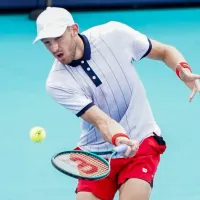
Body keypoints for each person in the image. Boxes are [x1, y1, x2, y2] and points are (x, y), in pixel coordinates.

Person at [33, 6, 200, 200]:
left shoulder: (114, 35)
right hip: (96, 156)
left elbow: (164, 51)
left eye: (58, 38)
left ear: (74, 29)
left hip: (141, 141)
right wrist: (119, 138)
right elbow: (101, 121)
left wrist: (183, 71)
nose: (54, 48)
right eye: (47, 43)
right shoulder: (57, 83)